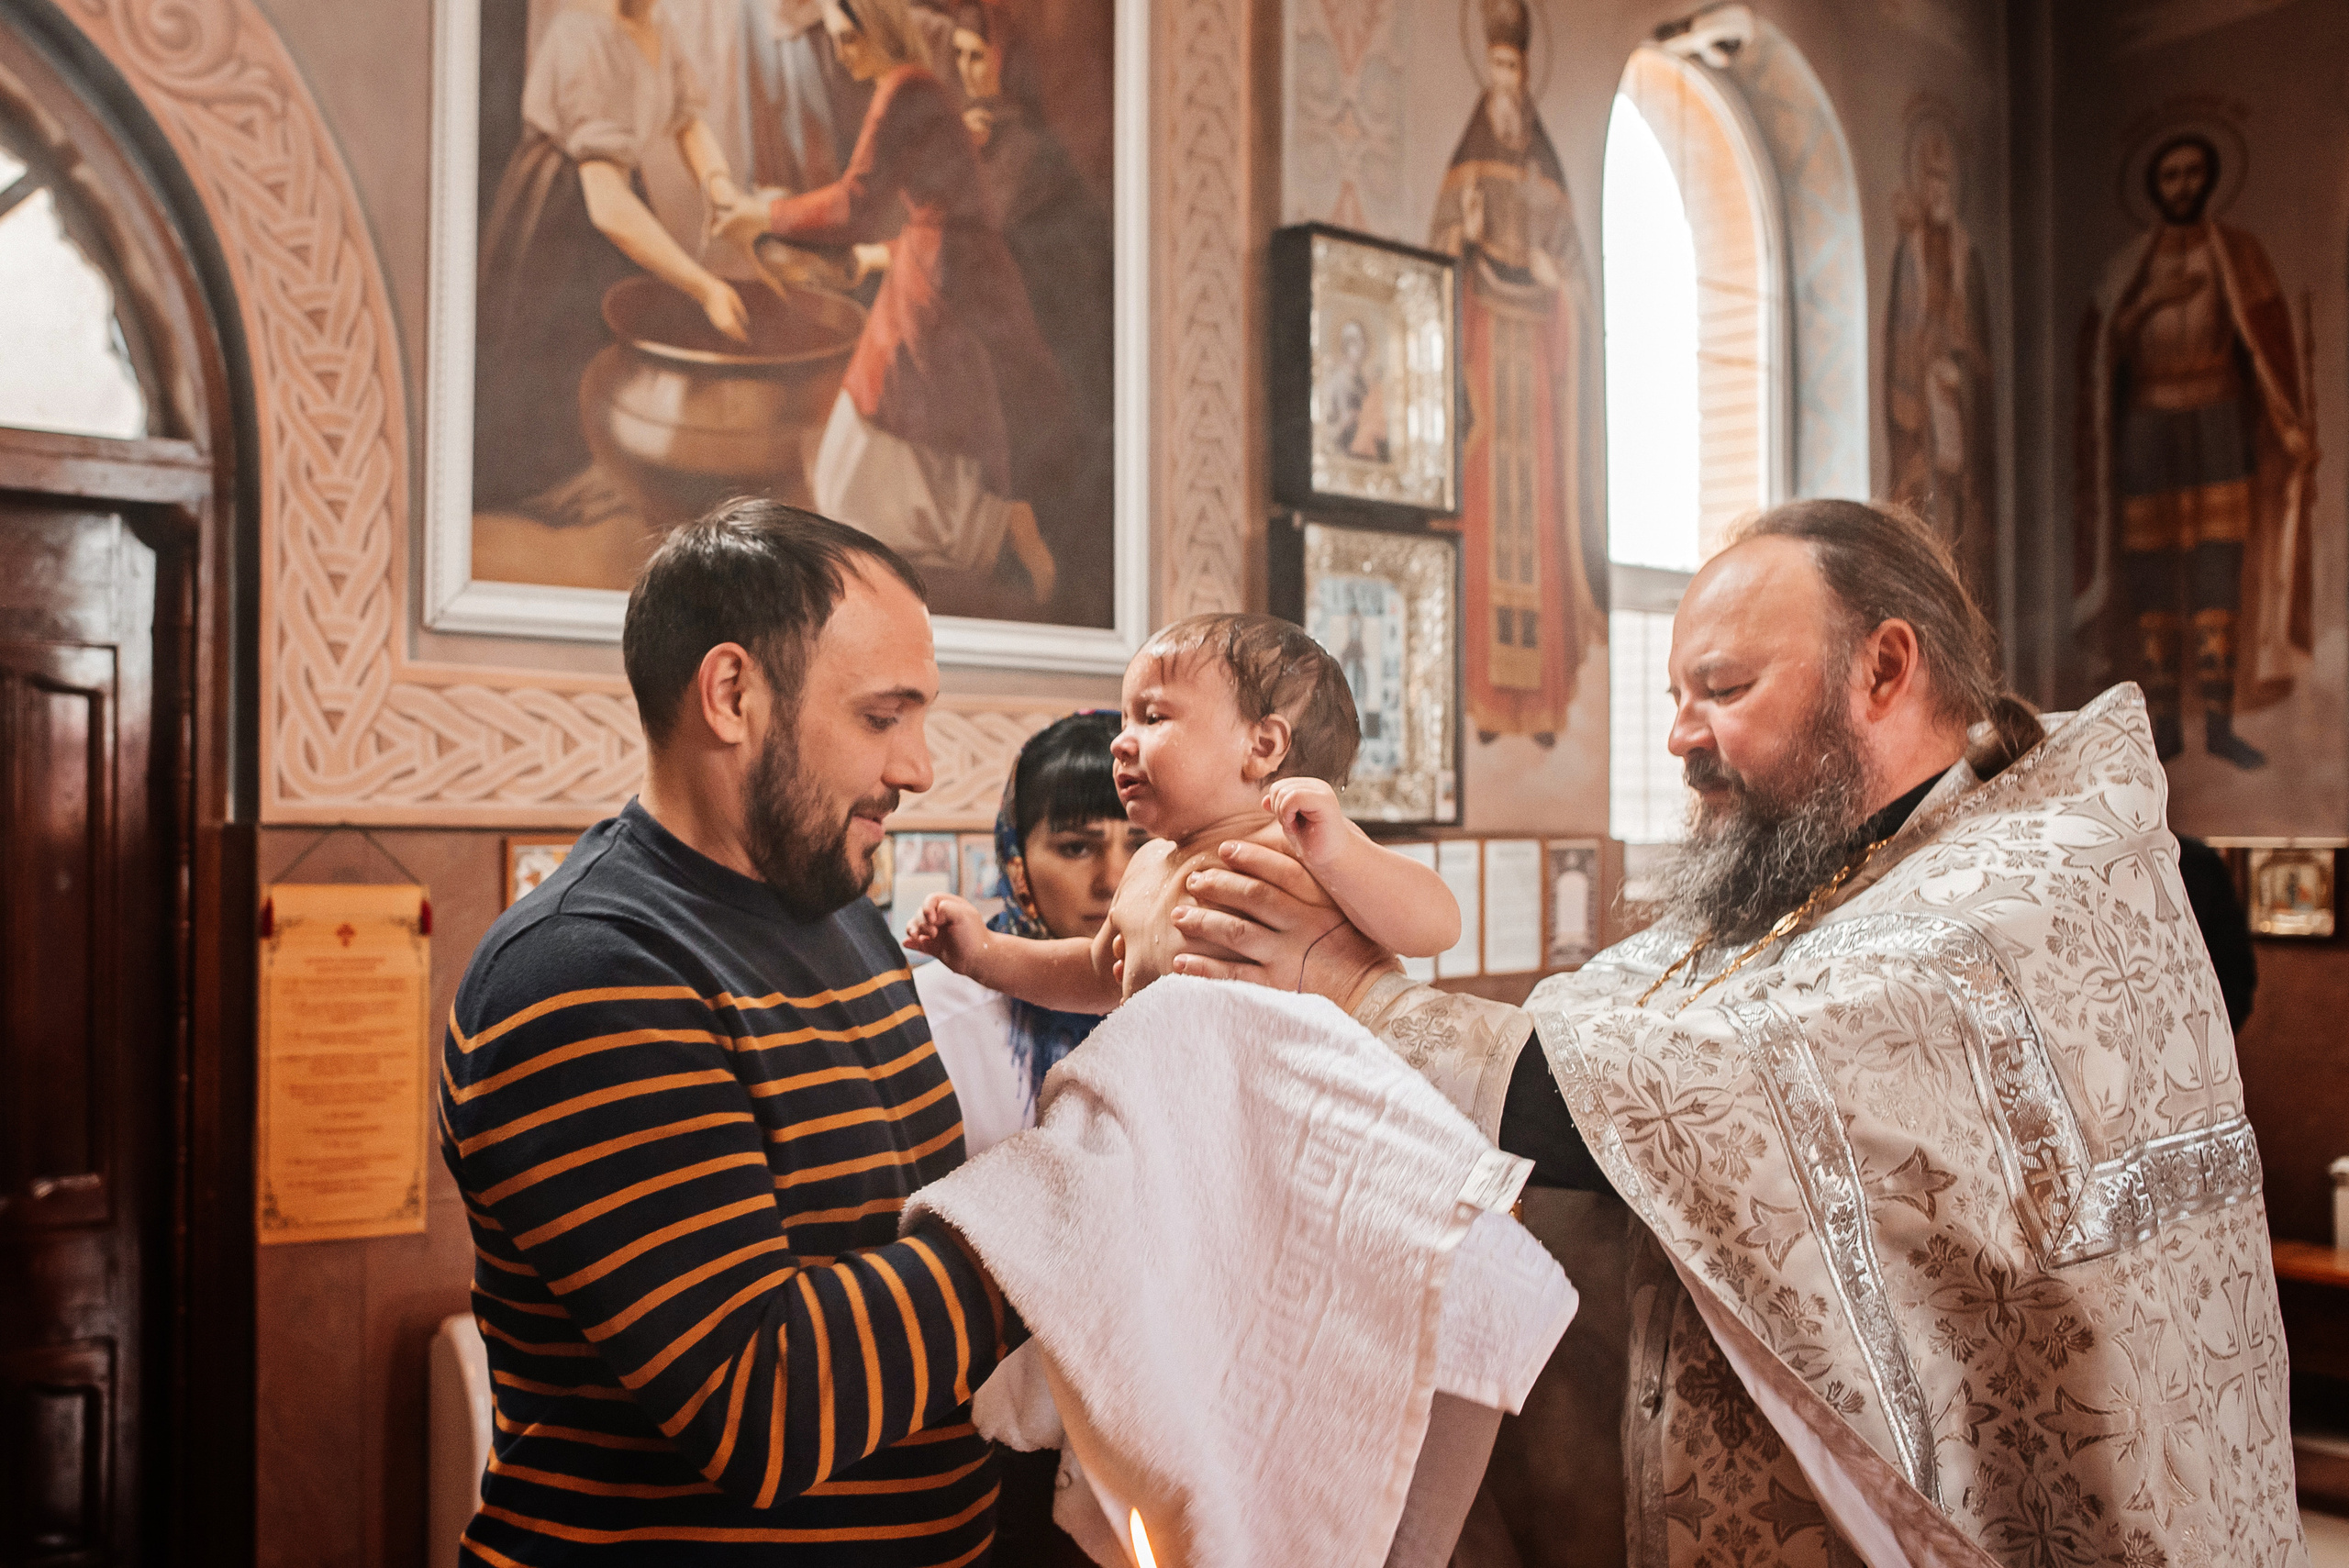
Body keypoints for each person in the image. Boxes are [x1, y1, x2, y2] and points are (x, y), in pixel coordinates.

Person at [1171, 499, 2303, 1568]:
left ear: (1886, 667)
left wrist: (1360, 994)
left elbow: (1709, 1088)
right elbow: (1587, 1031)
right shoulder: (1805, 870)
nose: (1677, 735)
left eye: (1720, 687)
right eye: (1675, 692)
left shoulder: (2023, 887)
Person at [440, 501, 1013, 1564]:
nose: (921, 767)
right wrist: (1062, 1223)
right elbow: (766, 1399)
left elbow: (898, 1245)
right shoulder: (586, 972)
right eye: (884, 717)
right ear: (733, 693)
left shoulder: (838, 911)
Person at [906, 612, 1460, 1010]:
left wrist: (1342, 854)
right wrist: (983, 953)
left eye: (1152, 718)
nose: (1121, 743)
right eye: (1124, 722)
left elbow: (1436, 925)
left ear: (1261, 747)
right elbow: (1093, 976)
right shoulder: (1147, 869)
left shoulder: (1299, 841)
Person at [716, 0, 1067, 612]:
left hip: (942, 276)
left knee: (905, 409)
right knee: (916, 409)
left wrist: (763, 213)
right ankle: (981, 536)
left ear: (877, 28)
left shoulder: (906, 88)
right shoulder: (912, 90)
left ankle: (987, 537)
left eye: (850, 38)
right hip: (931, 265)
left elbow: (857, 204)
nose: (844, 52)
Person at [2076, 129, 2315, 768]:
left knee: (2217, 573)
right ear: (2156, 186)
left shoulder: (2236, 254)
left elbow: (2265, 344)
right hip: (2148, 432)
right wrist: (2152, 301)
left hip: (2216, 423)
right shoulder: (2134, 263)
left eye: (2191, 173)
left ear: (2207, 180)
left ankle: (2218, 722)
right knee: (2154, 582)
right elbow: (2106, 350)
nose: (2181, 185)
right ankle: (2165, 727)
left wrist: (2288, 419)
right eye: (2170, 175)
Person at [474, 0, 751, 520]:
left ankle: (599, 464)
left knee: (615, 340)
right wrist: (705, 286)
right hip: (559, 211)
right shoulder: (584, 37)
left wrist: (719, 187)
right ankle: (547, 484)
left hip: (613, 189)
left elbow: (686, 122)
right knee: (558, 351)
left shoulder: (656, 27)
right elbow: (606, 204)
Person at [1428, 0, 1600, 747]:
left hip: (1537, 367)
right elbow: (1430, 271)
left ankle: (1543, 703)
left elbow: (1580, 285)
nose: (1506, 82)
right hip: (1484, 364)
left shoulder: (1547, 173)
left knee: (1541, 524)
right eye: (1497, 67)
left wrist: (1553, 280)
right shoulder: (1469, 163)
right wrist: (1462, 240)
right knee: (1487, 521)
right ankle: (1491, 701)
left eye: (1515, 71)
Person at [949, 0, 1116, 623]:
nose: (967, 71)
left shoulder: (1030, 150)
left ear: (1006, 63)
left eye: (978, 57)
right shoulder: (979, 137)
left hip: (1053, 347)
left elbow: (982, 235)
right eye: (959, 57)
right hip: (1006, 338)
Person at [915, 710, 1142, 1156]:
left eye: (1144, 845)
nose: (1113, 879)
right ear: (1015, 858)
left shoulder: (1203, 997)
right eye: (1076, 847)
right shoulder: (934, 1019)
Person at [1884, 118, 1995, 601]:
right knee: (1921, 503)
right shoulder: (1907, 254)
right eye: (1928, 177)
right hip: (1919, 392)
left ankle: (1956, 595)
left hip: (1955, 391)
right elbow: (1900, 333)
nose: (1936, 188)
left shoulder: (1968, 255)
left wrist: (1960, 362)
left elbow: (1979, 344)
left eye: (1944, 178)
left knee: (1955, 502)